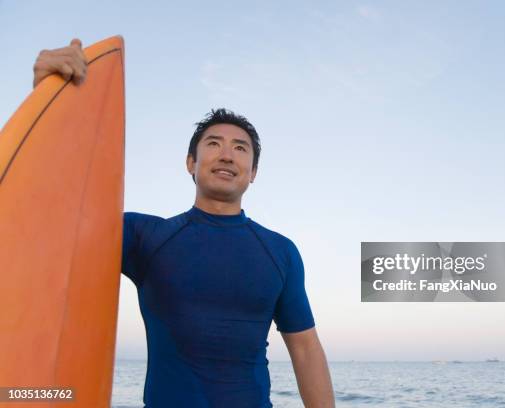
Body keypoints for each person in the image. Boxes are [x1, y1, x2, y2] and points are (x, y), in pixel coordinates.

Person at [32, 38, 335, 408]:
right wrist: (49, 101)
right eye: (213, 144)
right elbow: (58, 218)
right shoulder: (144, 237)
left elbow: (305, 349)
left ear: (253, 172)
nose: (226, 154)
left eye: (241, 148)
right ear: (190, 163)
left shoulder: (280, 253)